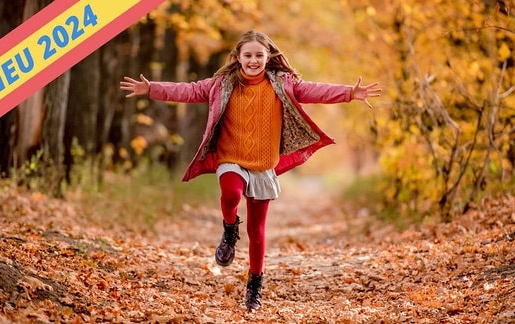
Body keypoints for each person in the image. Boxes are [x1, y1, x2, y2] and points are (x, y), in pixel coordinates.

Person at [120, 30, 381, 312]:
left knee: (257, 230)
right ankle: (230, 229)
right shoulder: (222, 84)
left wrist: (349, 93)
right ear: (238, 58)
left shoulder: (283, 84)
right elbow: (190, 89)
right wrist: (152, 88)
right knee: (231, 193)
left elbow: (315, 90)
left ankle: (254, 286)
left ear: (268, 57)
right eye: (248, 55)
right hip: (231, 157)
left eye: (259, 55)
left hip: (263, 164)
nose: (254, 60)